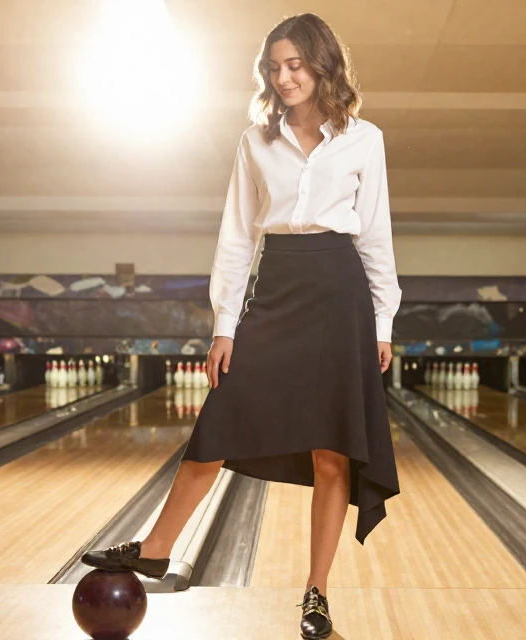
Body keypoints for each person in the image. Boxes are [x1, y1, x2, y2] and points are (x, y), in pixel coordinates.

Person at [81, 13, 401, 639]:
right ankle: (157, 547)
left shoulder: (365, 140)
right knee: (220, 423)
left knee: (334, 455)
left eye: (295, 65)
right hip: (275, 288)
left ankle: (316, 593)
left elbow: (378, 238)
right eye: (274, 67)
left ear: (321, 64)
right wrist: (225, 325)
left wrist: (383, 321)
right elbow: (235, 238)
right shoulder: (254, 142)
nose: (284, 78)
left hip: (342, 294)